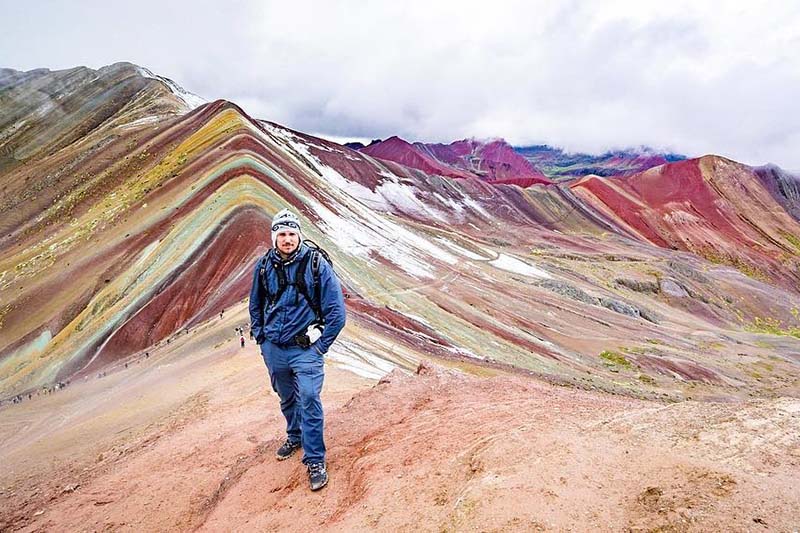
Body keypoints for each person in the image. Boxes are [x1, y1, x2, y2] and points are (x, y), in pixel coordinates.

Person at [248, 209, 346, 491]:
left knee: (310, 398)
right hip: (274, 348)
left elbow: (336, 314)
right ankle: (295, 435)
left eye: (292, 234)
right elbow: (255, 304)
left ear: (299, 235)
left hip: (306, 349)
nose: (287, 239)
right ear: (274, 237)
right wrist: (261, 339)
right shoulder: (264, 266)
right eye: (282, 234)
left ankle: (315, 459)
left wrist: (320, 348)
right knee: (287, 397)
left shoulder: (317, 265)